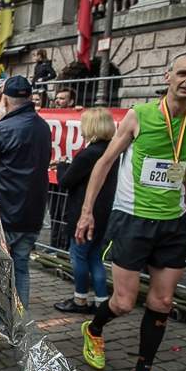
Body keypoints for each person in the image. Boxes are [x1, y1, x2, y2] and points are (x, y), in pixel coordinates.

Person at [75, 52, 186, 371]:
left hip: (173, 222)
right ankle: (94, 329)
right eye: (183, 72)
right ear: (168, 76)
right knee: (124, 302)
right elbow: (104, 162)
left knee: (162, 302)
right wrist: (87, 212)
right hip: (133, 220)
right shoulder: (139, 115)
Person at [0, 76, 52, 308]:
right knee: (20, 267)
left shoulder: (3, 128)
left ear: (5, 100)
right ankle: (20, 320)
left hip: (6, 211)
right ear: (30, 97)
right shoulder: (42, 127)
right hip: (32, 211)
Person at [54, 108, 118, 313]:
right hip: (104, 211)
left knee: (79, 256)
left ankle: (80, 299)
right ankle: (101, 300)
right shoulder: (112, 150)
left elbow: (66, 181)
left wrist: (62, 166)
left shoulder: (89, 153)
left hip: (84, 212)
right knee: (95, 257)